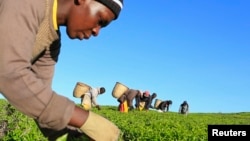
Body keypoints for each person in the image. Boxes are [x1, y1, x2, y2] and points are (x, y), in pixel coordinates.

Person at [0, 0, 124, 140]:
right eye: (100, 21)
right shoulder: (26, 3)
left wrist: (73, 135)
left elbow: (38, 97)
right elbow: (8, 72)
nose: (97, 31)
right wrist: (85, 119)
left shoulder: (52, 44)